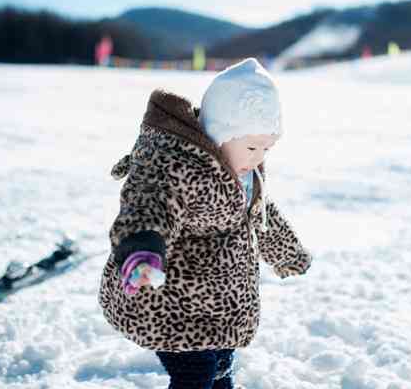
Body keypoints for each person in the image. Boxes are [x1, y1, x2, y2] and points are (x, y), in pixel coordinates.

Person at [99, 58, 312, 389]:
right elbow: (149, 204)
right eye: (252, 146)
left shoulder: (246, 173)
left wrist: (288, 253)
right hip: (170, 303)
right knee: (195, 375)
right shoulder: (178, 165)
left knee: (221, 369)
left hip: (221, 308)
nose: (259, 157)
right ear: (219, 134)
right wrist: (142, 249)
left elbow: (261, 215)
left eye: (267, 148)